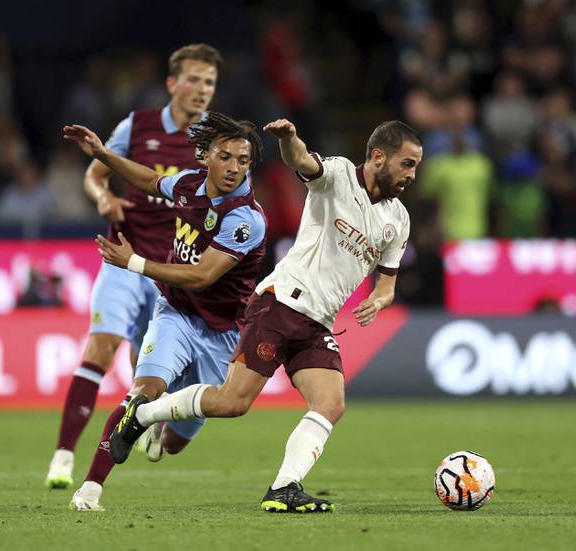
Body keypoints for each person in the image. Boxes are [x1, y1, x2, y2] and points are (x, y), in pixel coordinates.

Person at [110, 118, 423, 512]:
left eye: (415, 166)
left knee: (331, 403)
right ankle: (144, 415)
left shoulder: (399, 220)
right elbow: (303, 162)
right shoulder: (339, 176)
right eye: (407, 163)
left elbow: (387, 284)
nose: (412, 174)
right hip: (281, 303)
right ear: (378, 157)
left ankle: (284, 488)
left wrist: (378, 300)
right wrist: (290, 138)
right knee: (232, 403)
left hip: (318, 321)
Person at [62, 111, 266, 511]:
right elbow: (148, 179)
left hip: (222, 332)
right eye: (226, 157)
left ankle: (156, 424)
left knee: (173, 444)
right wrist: (104, 155)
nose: (235, 168)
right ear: (205, 156)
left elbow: (203, 276)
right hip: (175, 313)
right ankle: (89, 490)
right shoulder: (188, 184)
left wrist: (134, 262)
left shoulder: (246, 219)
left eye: (243, 161)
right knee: (140, 394)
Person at [45, 44, 223, 489]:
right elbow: (97, 170)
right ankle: (63, 457)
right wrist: (102, 196)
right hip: (124, 259)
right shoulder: (137, 126)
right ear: (172, 83)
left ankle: (152, 426)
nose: (202, 90)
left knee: (155, 379)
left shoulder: (216, 143)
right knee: (100, 348)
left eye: (210, 83)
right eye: (195, 79)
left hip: (173, 273)